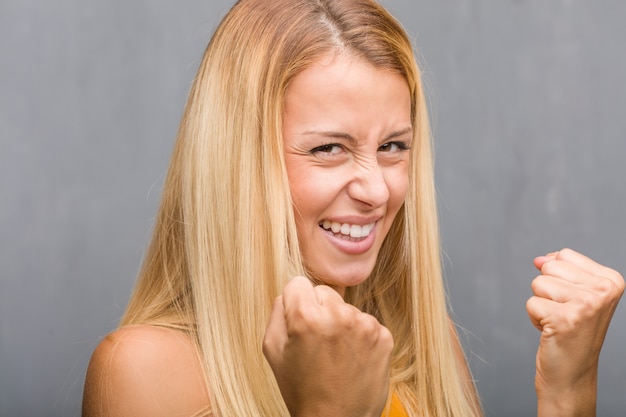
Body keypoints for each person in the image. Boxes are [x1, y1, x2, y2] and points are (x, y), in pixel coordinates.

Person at [82, 0, 624, 416]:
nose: (377, 191)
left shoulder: (425, 346)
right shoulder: (142, 371)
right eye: (328, 148)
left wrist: (567, 394)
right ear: (237, 164)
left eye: (392, 146)